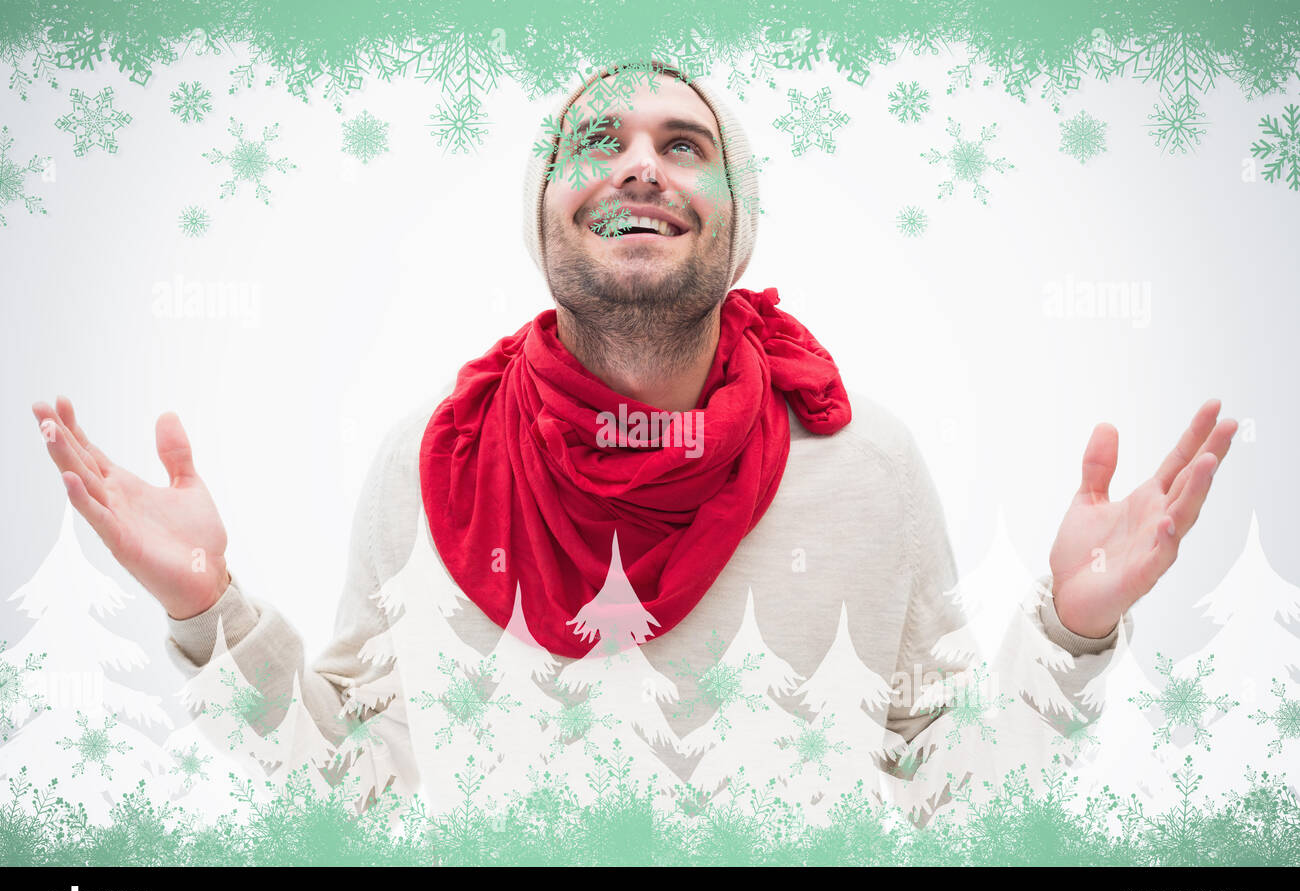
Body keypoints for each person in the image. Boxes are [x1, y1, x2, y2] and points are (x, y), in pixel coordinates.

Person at [30, 60, 1236, 826]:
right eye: (597, 140)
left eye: (683, 143)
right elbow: (352, 799)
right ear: (546, 209)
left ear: (735, 226)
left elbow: (949, 806)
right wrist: (209, 611)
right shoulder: (427, 466)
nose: (640, 164)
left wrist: (1072, 631)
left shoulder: (866, 462)